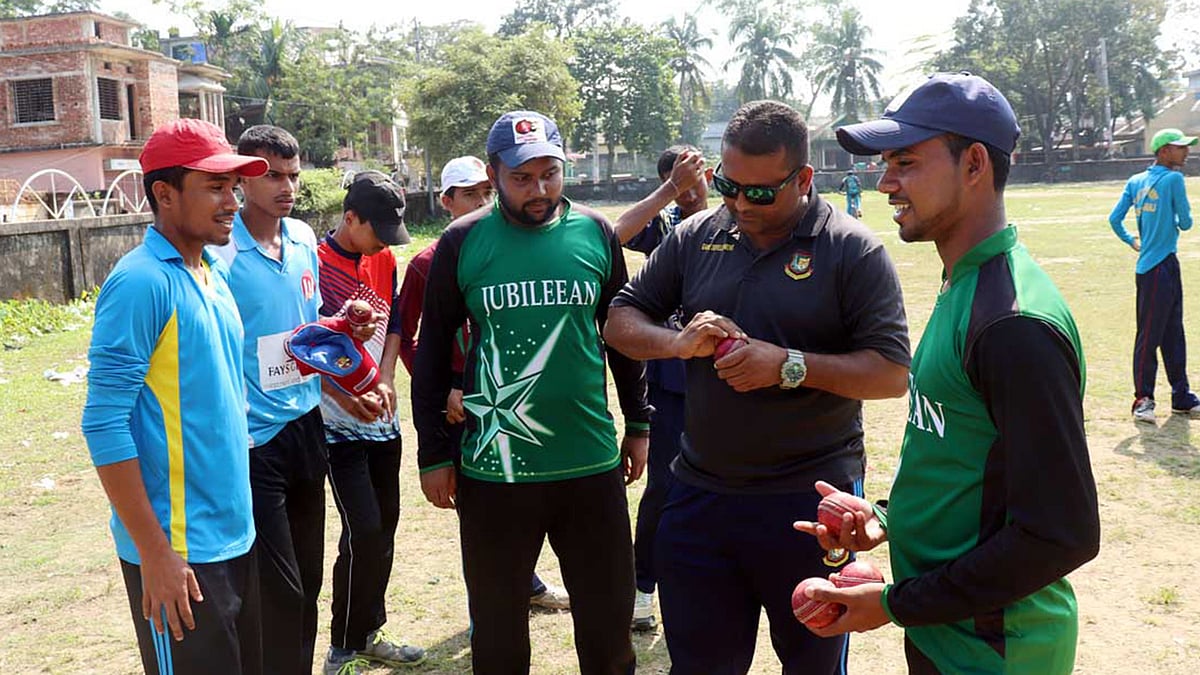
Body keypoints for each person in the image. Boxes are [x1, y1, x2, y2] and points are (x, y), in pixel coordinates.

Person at [795, 72, 1101, 674]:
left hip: (997, 650)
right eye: (886, 164)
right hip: (946, 633)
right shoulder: (966, 282)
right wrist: (885, 519)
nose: (885, 183)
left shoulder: (1013, 323)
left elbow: (1061, 534)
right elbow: (970, 461)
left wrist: (892, 602)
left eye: (905, 162)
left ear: (975, 164)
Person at [603, 100, 911, 674]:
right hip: (700, 497)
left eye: (760, 192)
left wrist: (789, 365)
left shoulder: (851, 248)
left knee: (813, 665)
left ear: (804, 179)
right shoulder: (698, 235)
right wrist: (676, 342)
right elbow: (620, 320)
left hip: (808, 503)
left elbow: (891, 373)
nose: (740, 203)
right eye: (727, 185)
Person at [412, 110, 652, 673]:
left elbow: (621, 336)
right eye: (522, 177)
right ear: (494, 175)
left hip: (590, 464)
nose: (539, 189)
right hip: (496, 472)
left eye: (550, 173)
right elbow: (430, 351)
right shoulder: (462, 241)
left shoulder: (594, 233)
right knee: (497, 640)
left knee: (609, 635)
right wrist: (432, 452)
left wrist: (639, 423)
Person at [81, 118, 269, 674]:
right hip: (179, 553)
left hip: (235, 533)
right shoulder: (141, 282)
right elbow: (104, 422)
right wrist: (156, 554)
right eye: (214, 186)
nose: (232, 201)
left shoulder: (209, 271)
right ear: (164, 194)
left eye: (234, 186)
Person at [397, 155, 571, 612]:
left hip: (512, 396)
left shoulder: (517, 245)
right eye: (468, 194)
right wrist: (448, 390)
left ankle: (527, 582)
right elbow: (415, 337)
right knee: (480, 507)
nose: (480, 201)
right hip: (460, 402)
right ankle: (494, 604)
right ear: (446, 200)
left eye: (484, 192)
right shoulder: (428, 261)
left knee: (526, 489)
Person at [207, 124, 329, 675]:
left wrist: (339, 324)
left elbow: (306, 327)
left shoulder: (304, 239)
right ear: (242, 178)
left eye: (293, 175)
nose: (286, 186)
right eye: (272, 175)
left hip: (308, 423)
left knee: (309, 578)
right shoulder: (220, 255)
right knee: (278, 587)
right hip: (256, 440)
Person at [317, 171, 426, 675]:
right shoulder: (312, 263)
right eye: (375, 228)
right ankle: (342, 645)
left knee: (385, 528)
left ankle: (369, 631)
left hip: (382, 418)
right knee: (361, 530)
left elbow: (397, 324)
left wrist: (383, 378)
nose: (385, 241)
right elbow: (305, 345)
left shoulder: (383, 258)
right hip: (335, 424)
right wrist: (346, 392)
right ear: (350, 217)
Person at [611, 144, 709, 632]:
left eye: (698, 177)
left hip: (734, 381)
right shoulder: (667, 226)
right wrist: (669, 190)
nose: (692, 189)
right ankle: (643, 588)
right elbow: (613, 236)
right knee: (664, 488)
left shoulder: (740, 219)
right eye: (681, 179)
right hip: (672, 383)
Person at [1108, 127, 1199, 423]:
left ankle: (1182, 397)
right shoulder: (1174, 179)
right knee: (1151, 335)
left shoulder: (1136, 181)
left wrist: (1133, 240)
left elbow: (1114, 218)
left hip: (1152, 267)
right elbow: (1186, 223)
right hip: (1162, 267)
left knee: (1171, 332)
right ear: (1163, 151)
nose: (1186, 151)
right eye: (1179, 147)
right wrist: (1174, 219)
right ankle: (1143, 399)